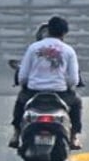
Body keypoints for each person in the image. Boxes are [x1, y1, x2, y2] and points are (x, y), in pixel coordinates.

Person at [9, 15, 83, 150]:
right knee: (77, 103)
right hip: (60, 94)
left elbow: (23, 76)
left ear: (48, 30)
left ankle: (16, 134)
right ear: (64, 33)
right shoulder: (68, 51)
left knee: (20, 101)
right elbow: (74, 79)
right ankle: (74, 137)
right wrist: (65, 84)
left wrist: (26, 84)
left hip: (33, 92)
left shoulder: (33, 48)